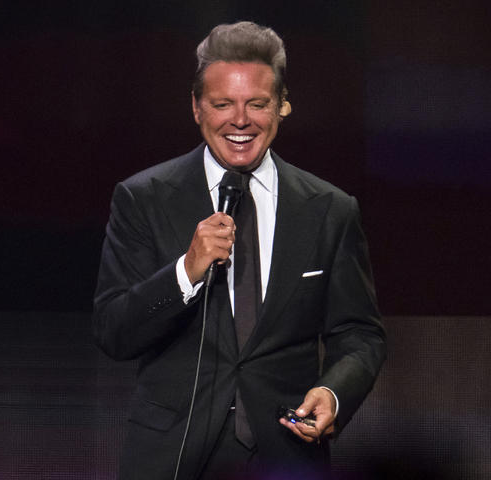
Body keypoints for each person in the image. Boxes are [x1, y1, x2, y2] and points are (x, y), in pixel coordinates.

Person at [93, 21, 386, 480]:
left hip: (286, 454)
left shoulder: (330, 208)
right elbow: (114, 331)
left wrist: (333, 393)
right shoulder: (144, 198)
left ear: (282, 105)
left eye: (258, 104)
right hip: (172, 456)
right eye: (222, 104)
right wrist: (185, 272)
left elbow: (360, 333)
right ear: (196, 107)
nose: (241, 120)